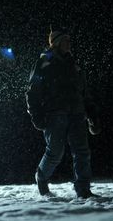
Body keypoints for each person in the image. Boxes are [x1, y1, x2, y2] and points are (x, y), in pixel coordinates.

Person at [25, 26, 101, 198]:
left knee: (82, 152)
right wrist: (36, 115)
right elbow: (33, 91)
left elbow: (84, 92)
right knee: (55, 152)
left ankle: (83, 189)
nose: (69, 43)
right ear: (57, 43)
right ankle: (42, 177)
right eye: (66, 40)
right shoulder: (44, 62)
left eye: (69, 40)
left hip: (77, 113)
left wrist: (92, 115)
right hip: (55, 114)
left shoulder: (74, 65)